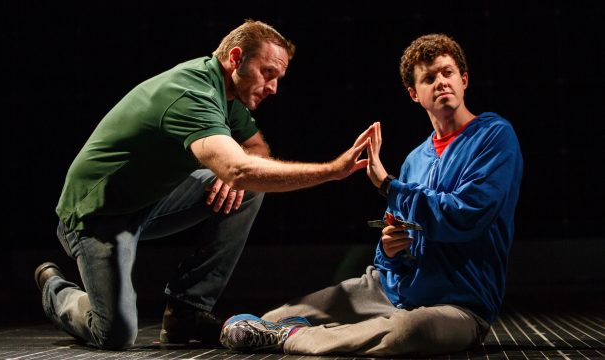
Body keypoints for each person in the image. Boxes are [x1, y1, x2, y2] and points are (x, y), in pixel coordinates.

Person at [33, 19, 375, 350]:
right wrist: (332, 170)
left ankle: (186, 309)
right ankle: (56, 292)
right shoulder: (191, 92)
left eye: (278, 78)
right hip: (96, 216)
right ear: (236, 58)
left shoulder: (227, 93)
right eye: (268, 73)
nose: (273, 87)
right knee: (115, 333)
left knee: (250, 187)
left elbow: (257, 150)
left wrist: (237, 177)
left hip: (148, 203)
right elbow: (238, 168)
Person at [220, 33, 524, 357]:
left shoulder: (494, 135)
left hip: (458, 305)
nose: (441, 83)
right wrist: (390, 250)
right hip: (387, 291)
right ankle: (307, 331)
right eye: (429, 78)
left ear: (464, 80)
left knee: (410, 331)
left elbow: (467, 215)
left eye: (448, 73)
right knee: (265, 320)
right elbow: (397, 239)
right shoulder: (415, 160)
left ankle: (295, 338)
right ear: (414, 94)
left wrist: (387, 185)